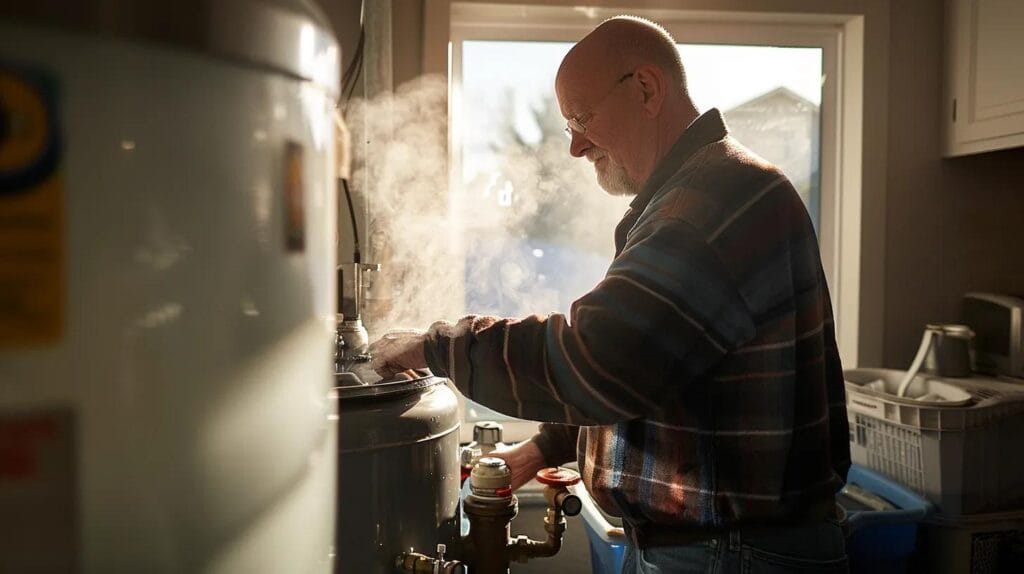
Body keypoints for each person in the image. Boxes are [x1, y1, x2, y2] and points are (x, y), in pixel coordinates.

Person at [370, 15, 851, 574]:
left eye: (581, 117)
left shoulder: (712, 202)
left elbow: (599, 360)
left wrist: (432, 348)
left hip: (732, 555)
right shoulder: (698, 194)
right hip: (714, 548)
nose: (574, 146)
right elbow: (650, 367)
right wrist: (543, 448)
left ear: (646, 88)